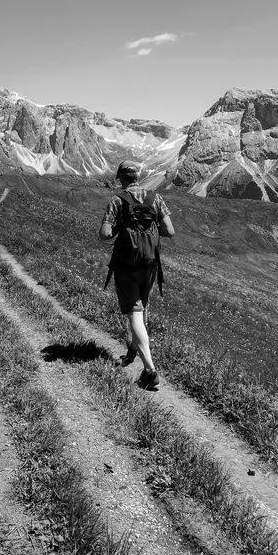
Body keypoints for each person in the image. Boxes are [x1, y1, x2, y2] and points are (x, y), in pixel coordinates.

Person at [98, 160, 174, 390]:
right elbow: (169, 231)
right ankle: (133, 350)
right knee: (143, 308)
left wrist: (122, 227)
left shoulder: (117, 200)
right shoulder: (155, 198)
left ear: (121, 178)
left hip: (126, 266)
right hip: (150, 264)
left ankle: (150, 370)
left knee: (135, 315)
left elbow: (104, 235)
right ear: (138, 177)